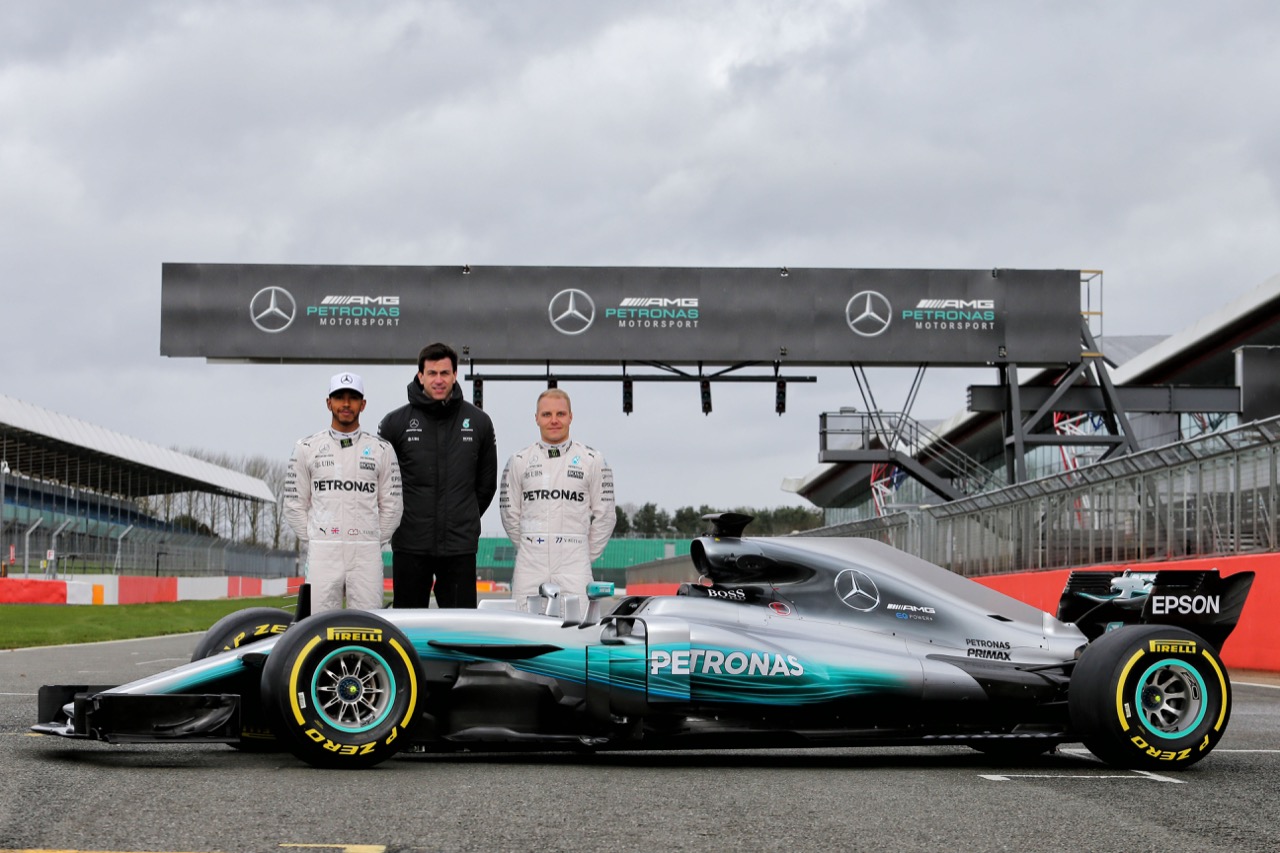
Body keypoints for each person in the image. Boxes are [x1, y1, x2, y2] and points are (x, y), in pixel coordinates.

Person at [378, 342, 498, 608]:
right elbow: (383, 485)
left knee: (460, 630)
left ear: (455, 375)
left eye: (445, 373)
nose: (439, 379)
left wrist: (462, 514)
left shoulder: (478, 422)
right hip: (410, 545)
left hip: (459, 548)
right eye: (432, 373)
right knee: (408, 629)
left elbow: (486, 484)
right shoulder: (394, 423)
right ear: (420, 376)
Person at [284, 372, 402, 613]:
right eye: (339, 397)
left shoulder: (381, 449)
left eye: (353, 398)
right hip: (323, 552)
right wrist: (316, 538)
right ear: (328, 403)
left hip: (366, 552)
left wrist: (371, 538)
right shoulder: (307, 448)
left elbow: (392, 505)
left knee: (368, 626)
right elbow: (294, 503)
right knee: (319, 627)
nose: (346, 404)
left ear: (363, 404)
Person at [500, 388, 616, 606]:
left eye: (560, 414)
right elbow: (509, 515)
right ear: (536, 418)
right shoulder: (518, 460)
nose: (554, 420)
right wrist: (533, 545)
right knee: (523, 633)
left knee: (579, 630)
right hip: (530, 564)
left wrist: (580, 552)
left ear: (571, 416)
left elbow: (606, 516)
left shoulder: (592, 460)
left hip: (575, 565)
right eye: (546, 415)